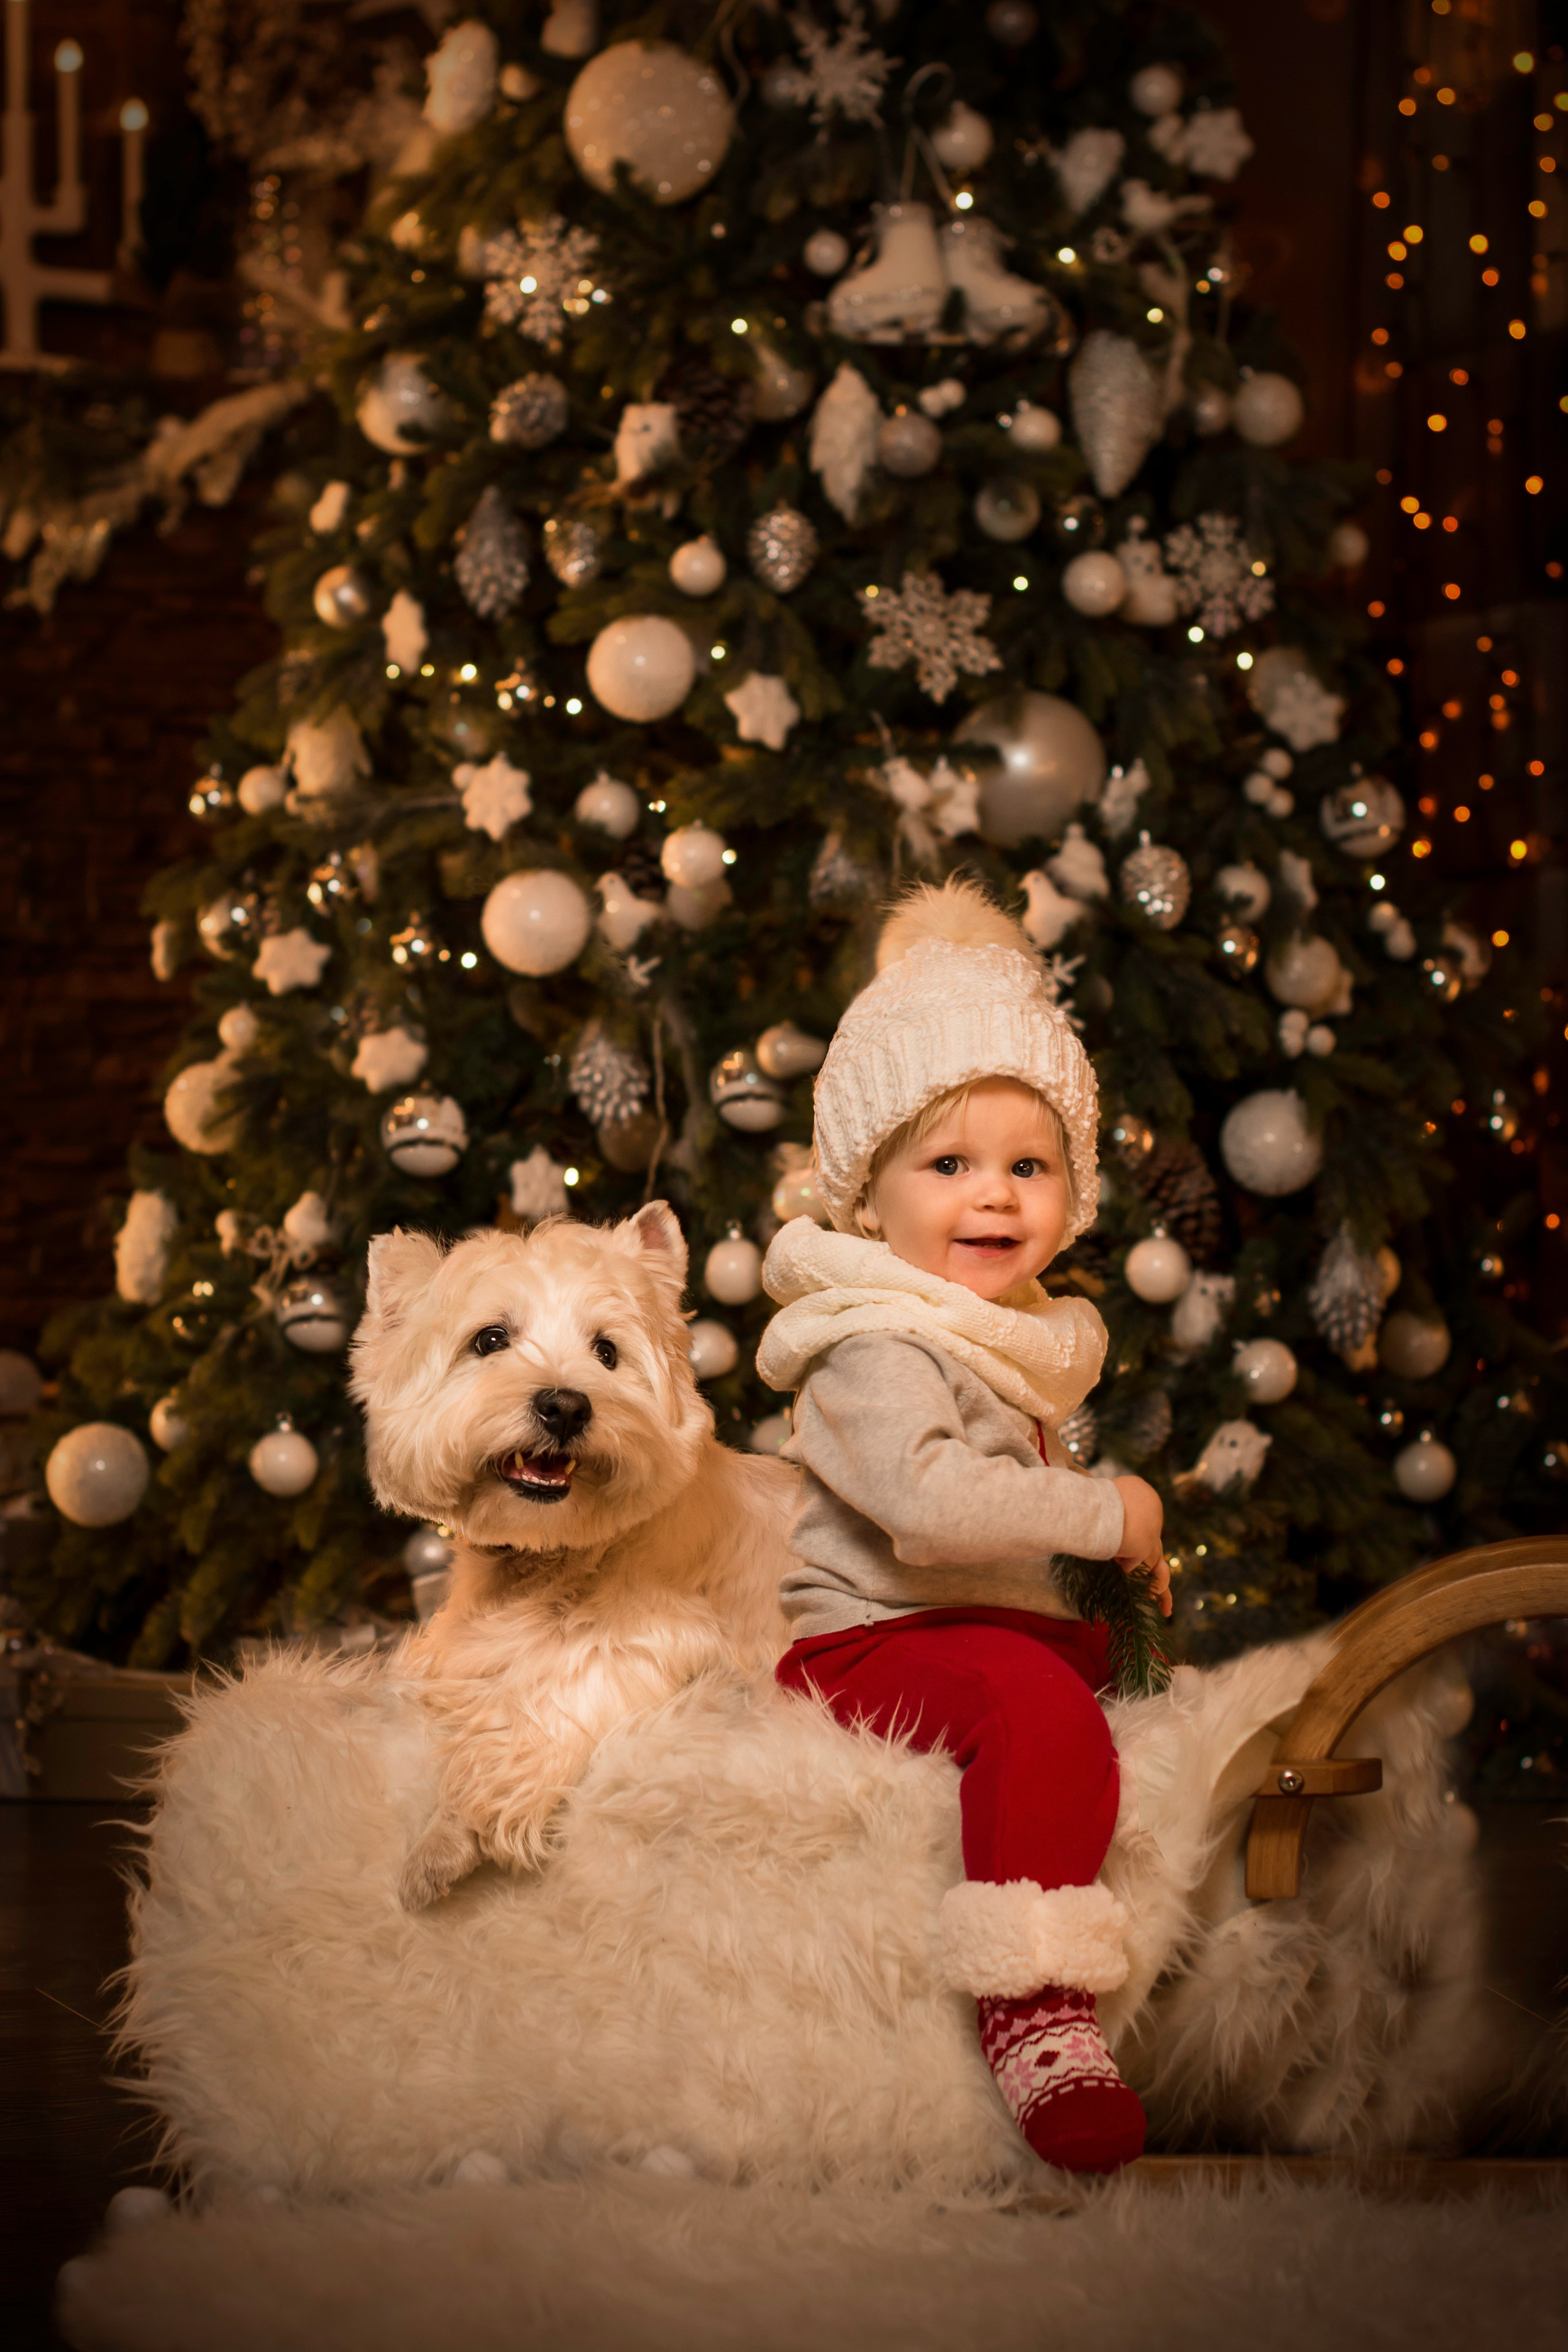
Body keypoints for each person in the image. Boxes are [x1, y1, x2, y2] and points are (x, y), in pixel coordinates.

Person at [757, 876, 1169, 2175]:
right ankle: (1036, 2013)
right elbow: (932, 1512)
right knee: (1032, 1711)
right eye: (948, 1165)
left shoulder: (1014, 1338)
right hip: (870, 1641)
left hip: (979, 1623)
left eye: (1027, 1165)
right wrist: (1111, 1512)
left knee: (1110, 1700)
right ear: (865, 1195)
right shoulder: (869, 1340)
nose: (993, 1197)